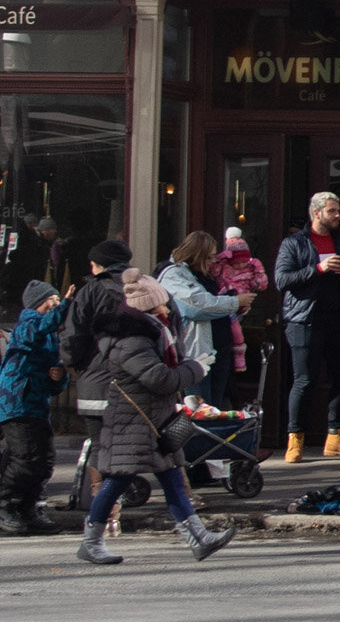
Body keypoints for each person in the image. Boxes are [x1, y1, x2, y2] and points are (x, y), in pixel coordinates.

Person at [76, 269, 234, 565]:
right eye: (163, 303)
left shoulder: (151, 332)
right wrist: (196, 369)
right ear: (150, 306)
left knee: (171, 475)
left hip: (152, 419)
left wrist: (189, 365)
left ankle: (197, 537)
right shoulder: (133, 340)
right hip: (133, 422)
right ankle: (91, 540)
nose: (167, 308)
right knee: (118, 480)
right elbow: (159, 379)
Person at [275, 192, 340, 463]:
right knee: (305, 380)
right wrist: (318, 268)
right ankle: (295, 439)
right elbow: (281, 279)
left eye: (337, 211)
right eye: (332, 211)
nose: (337, 215)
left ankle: (336, 436)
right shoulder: (294, 243)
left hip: (339, 317)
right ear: (316, 213)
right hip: (304, 320)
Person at [59, 239, 142, 506]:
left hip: (96, 383)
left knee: (100, 445)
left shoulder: (90, 291)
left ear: (98, 266)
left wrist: (71, 363)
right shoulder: (145, 287)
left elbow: (74, 336)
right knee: (130, 445)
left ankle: (102, 505)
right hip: (138, 381)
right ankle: (118, 498)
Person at [0, 280, 72, 535]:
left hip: (37, 404)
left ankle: (29, 509)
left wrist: (58, 377)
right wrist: (65, 304)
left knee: (44, 461)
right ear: (39, 303)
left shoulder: (49, 333)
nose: (55, 304)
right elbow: (41, 326)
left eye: (56, 300)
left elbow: (55, 378)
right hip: (17, 403)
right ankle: (6, 504)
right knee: (26, 458)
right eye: (51, 300)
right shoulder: (28, 323)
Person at [157, 231, 252, 409]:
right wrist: (234, 302)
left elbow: (214, 305)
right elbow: (196, 306)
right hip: (194, 355)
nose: (212, 262)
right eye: (209, 257)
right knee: (199, 411)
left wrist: (236, 308)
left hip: (216, 350)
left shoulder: (203, 275)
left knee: (213, 410)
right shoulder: (174, 275)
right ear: (197, 255)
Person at [211, 226, 269, 374]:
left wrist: (259, 269)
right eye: (237, 263)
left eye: (244, 262)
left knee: (236, 330)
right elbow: (213, 271)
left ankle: (239, 359)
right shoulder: (224, 269)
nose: (241, 266)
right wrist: (220, 258)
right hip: (228, 303)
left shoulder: (249, 271)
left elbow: (261, 285)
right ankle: (238, 358)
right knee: (236, 331)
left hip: (243, 305)